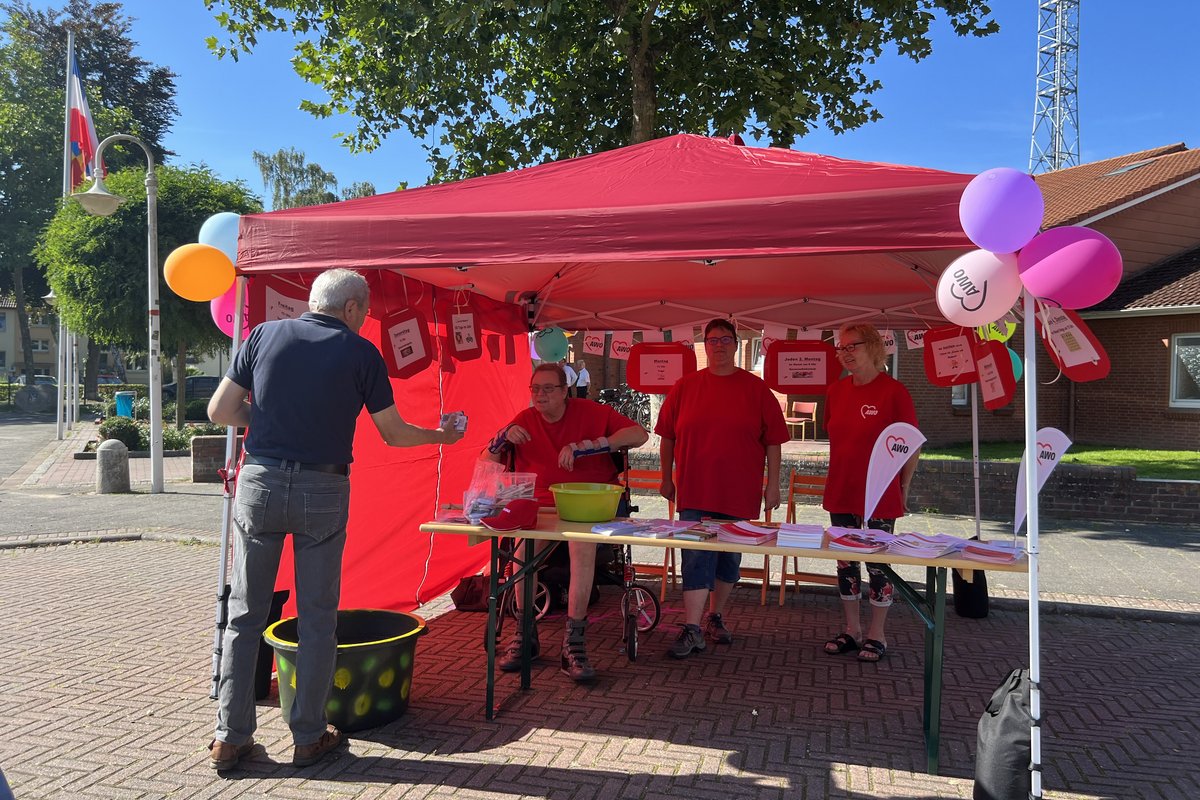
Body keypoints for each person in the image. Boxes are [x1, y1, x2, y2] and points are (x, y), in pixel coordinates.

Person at [206, 269, 464, 772]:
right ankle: (307, 737)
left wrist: (268, 423)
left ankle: (229, 737)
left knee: (244, 614)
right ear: (350, 308)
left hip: (259, 482)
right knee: (319, 618)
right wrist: (442, 437)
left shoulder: (261, 335)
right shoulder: (361, 352)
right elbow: (393, 433)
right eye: (363, 310)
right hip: (323, 489)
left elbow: (220, 411)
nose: (365, 318)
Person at [483, 362, 649, 682]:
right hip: (540, 505)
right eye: (535, 389)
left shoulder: (590, 411)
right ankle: (525, 634)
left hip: (586, 504)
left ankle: (573, 643)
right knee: (521, 556)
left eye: (548, 389)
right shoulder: (525, 419)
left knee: (581, 551)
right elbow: (485, 463)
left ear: (565, 392)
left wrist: (590, 446)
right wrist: (500, 438)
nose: (540, 395)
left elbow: (638, 434)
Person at [656, 318, 789, 658]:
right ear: (705, 345)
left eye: (725, 339)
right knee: (695, 556)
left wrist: (773, 486)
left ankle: (715, 616)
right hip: (694, 488)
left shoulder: (756, 389)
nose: (719, 345)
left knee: (728, 559)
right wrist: (664, 476)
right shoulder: (684, 387)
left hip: (739, 490)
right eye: (712, 340)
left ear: (736, 344)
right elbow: (667, 435)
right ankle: (691, 627)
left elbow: (774, 441)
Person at [821, 323, 919, 663]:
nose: (845, 353)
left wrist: (903, 488)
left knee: (878, 566)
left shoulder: (894, 392)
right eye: (841, 348)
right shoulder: (835, 392)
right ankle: (852, 629)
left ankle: (877, 634)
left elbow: (911, 445)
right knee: (846, 564)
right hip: (842, 489)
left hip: (881, 492)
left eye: (853, 346)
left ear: (874, 347)